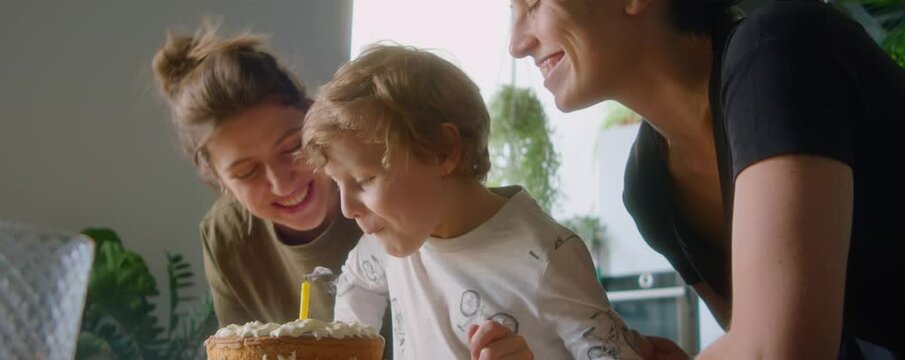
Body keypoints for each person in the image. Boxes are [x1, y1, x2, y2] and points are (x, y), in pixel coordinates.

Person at [508, 0, 905, 358]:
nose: (517, 43)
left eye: (534, 3)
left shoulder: (776, 52)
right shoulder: (648, 186)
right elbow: (749, 336)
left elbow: (776, 350)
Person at [301, 43, 646, 360]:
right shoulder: (387, 244)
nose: (347, 208)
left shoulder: (544, 258)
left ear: (444, 150)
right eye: (338, 184)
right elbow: (357, 282)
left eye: (364, 180)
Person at [151, 24, 367, 330]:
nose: (282, 183)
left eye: (293, 147)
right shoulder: (226, 236)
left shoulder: (381, 189)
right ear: (219, 179)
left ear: (314, 116)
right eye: (247, 172)